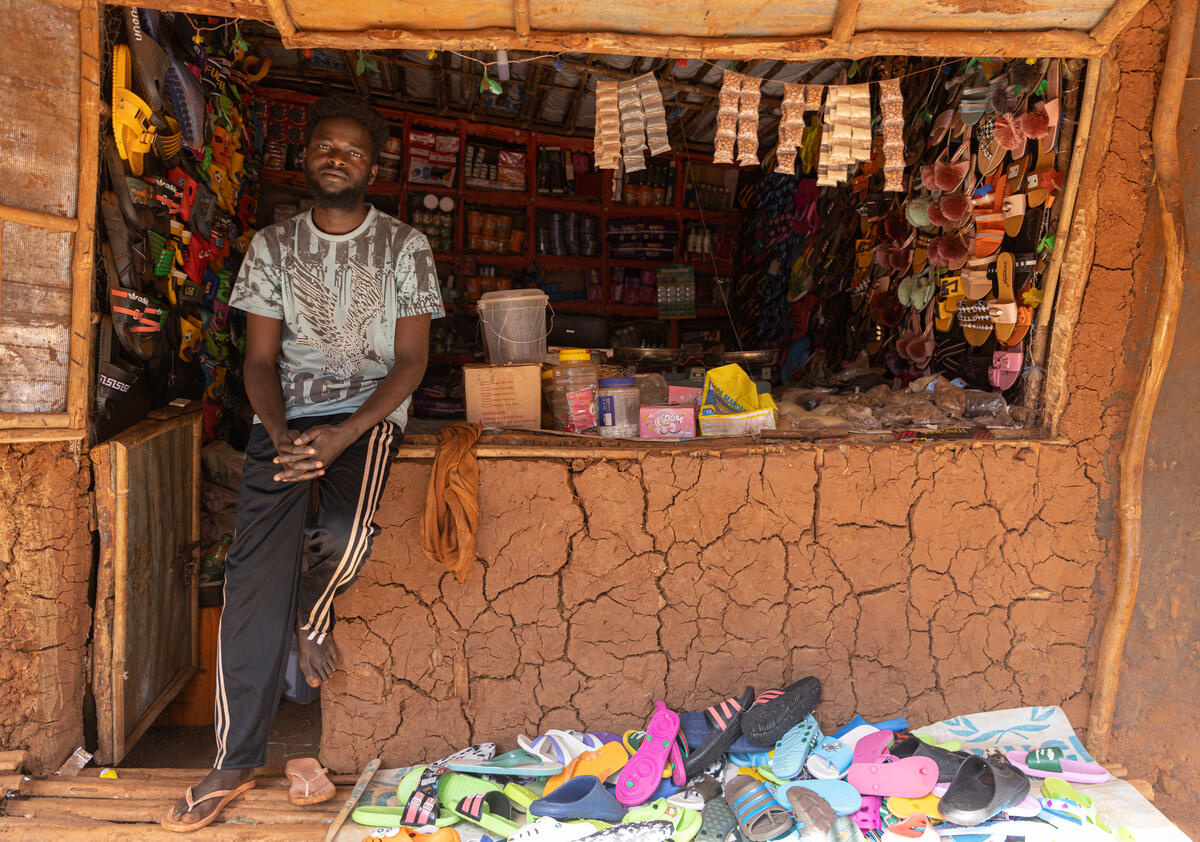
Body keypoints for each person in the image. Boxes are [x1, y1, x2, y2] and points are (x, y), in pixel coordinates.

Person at [163, 94, 443, 831]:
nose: (336, 158)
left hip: (368, 416)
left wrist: (343, 436)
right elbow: (257, 361)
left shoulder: (405, 247)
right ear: (308, 155)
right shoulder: (271, 246)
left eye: (352, 151)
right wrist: (283, 434)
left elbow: (411, 363)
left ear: (373, 168)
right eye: (325, 146)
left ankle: (311, 618)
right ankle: (234, 760)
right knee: (253, 576)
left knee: (345, 534)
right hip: (284, 420)